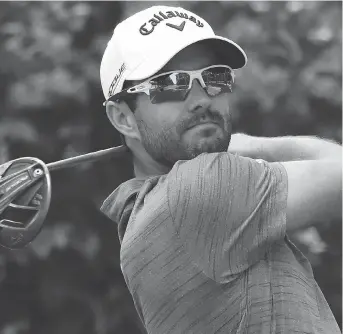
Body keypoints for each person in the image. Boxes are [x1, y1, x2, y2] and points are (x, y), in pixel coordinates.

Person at [100, 5, 342, 334]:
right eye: (172, 83)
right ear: (123, 118)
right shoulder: (199, 187)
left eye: (215, 78)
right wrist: (256, 145)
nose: (202, 99)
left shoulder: (142, 222)